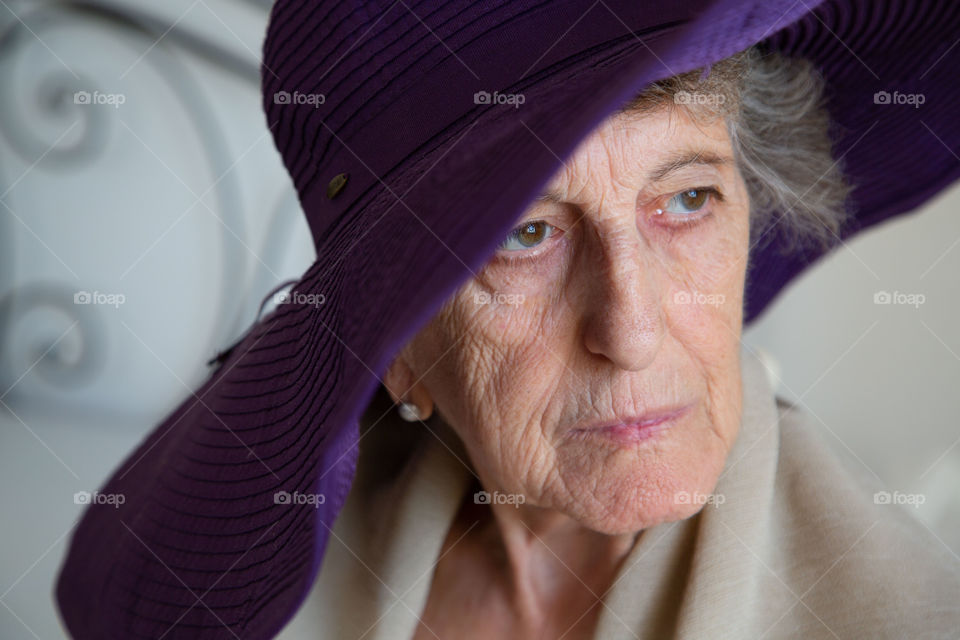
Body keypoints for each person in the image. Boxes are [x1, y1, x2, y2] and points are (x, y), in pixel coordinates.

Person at [57, 1, 960, 638]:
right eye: (525, 232)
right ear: (399, 344)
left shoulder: (894, 615)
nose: (632, 328)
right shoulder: (323, 572)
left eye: (687, 199)